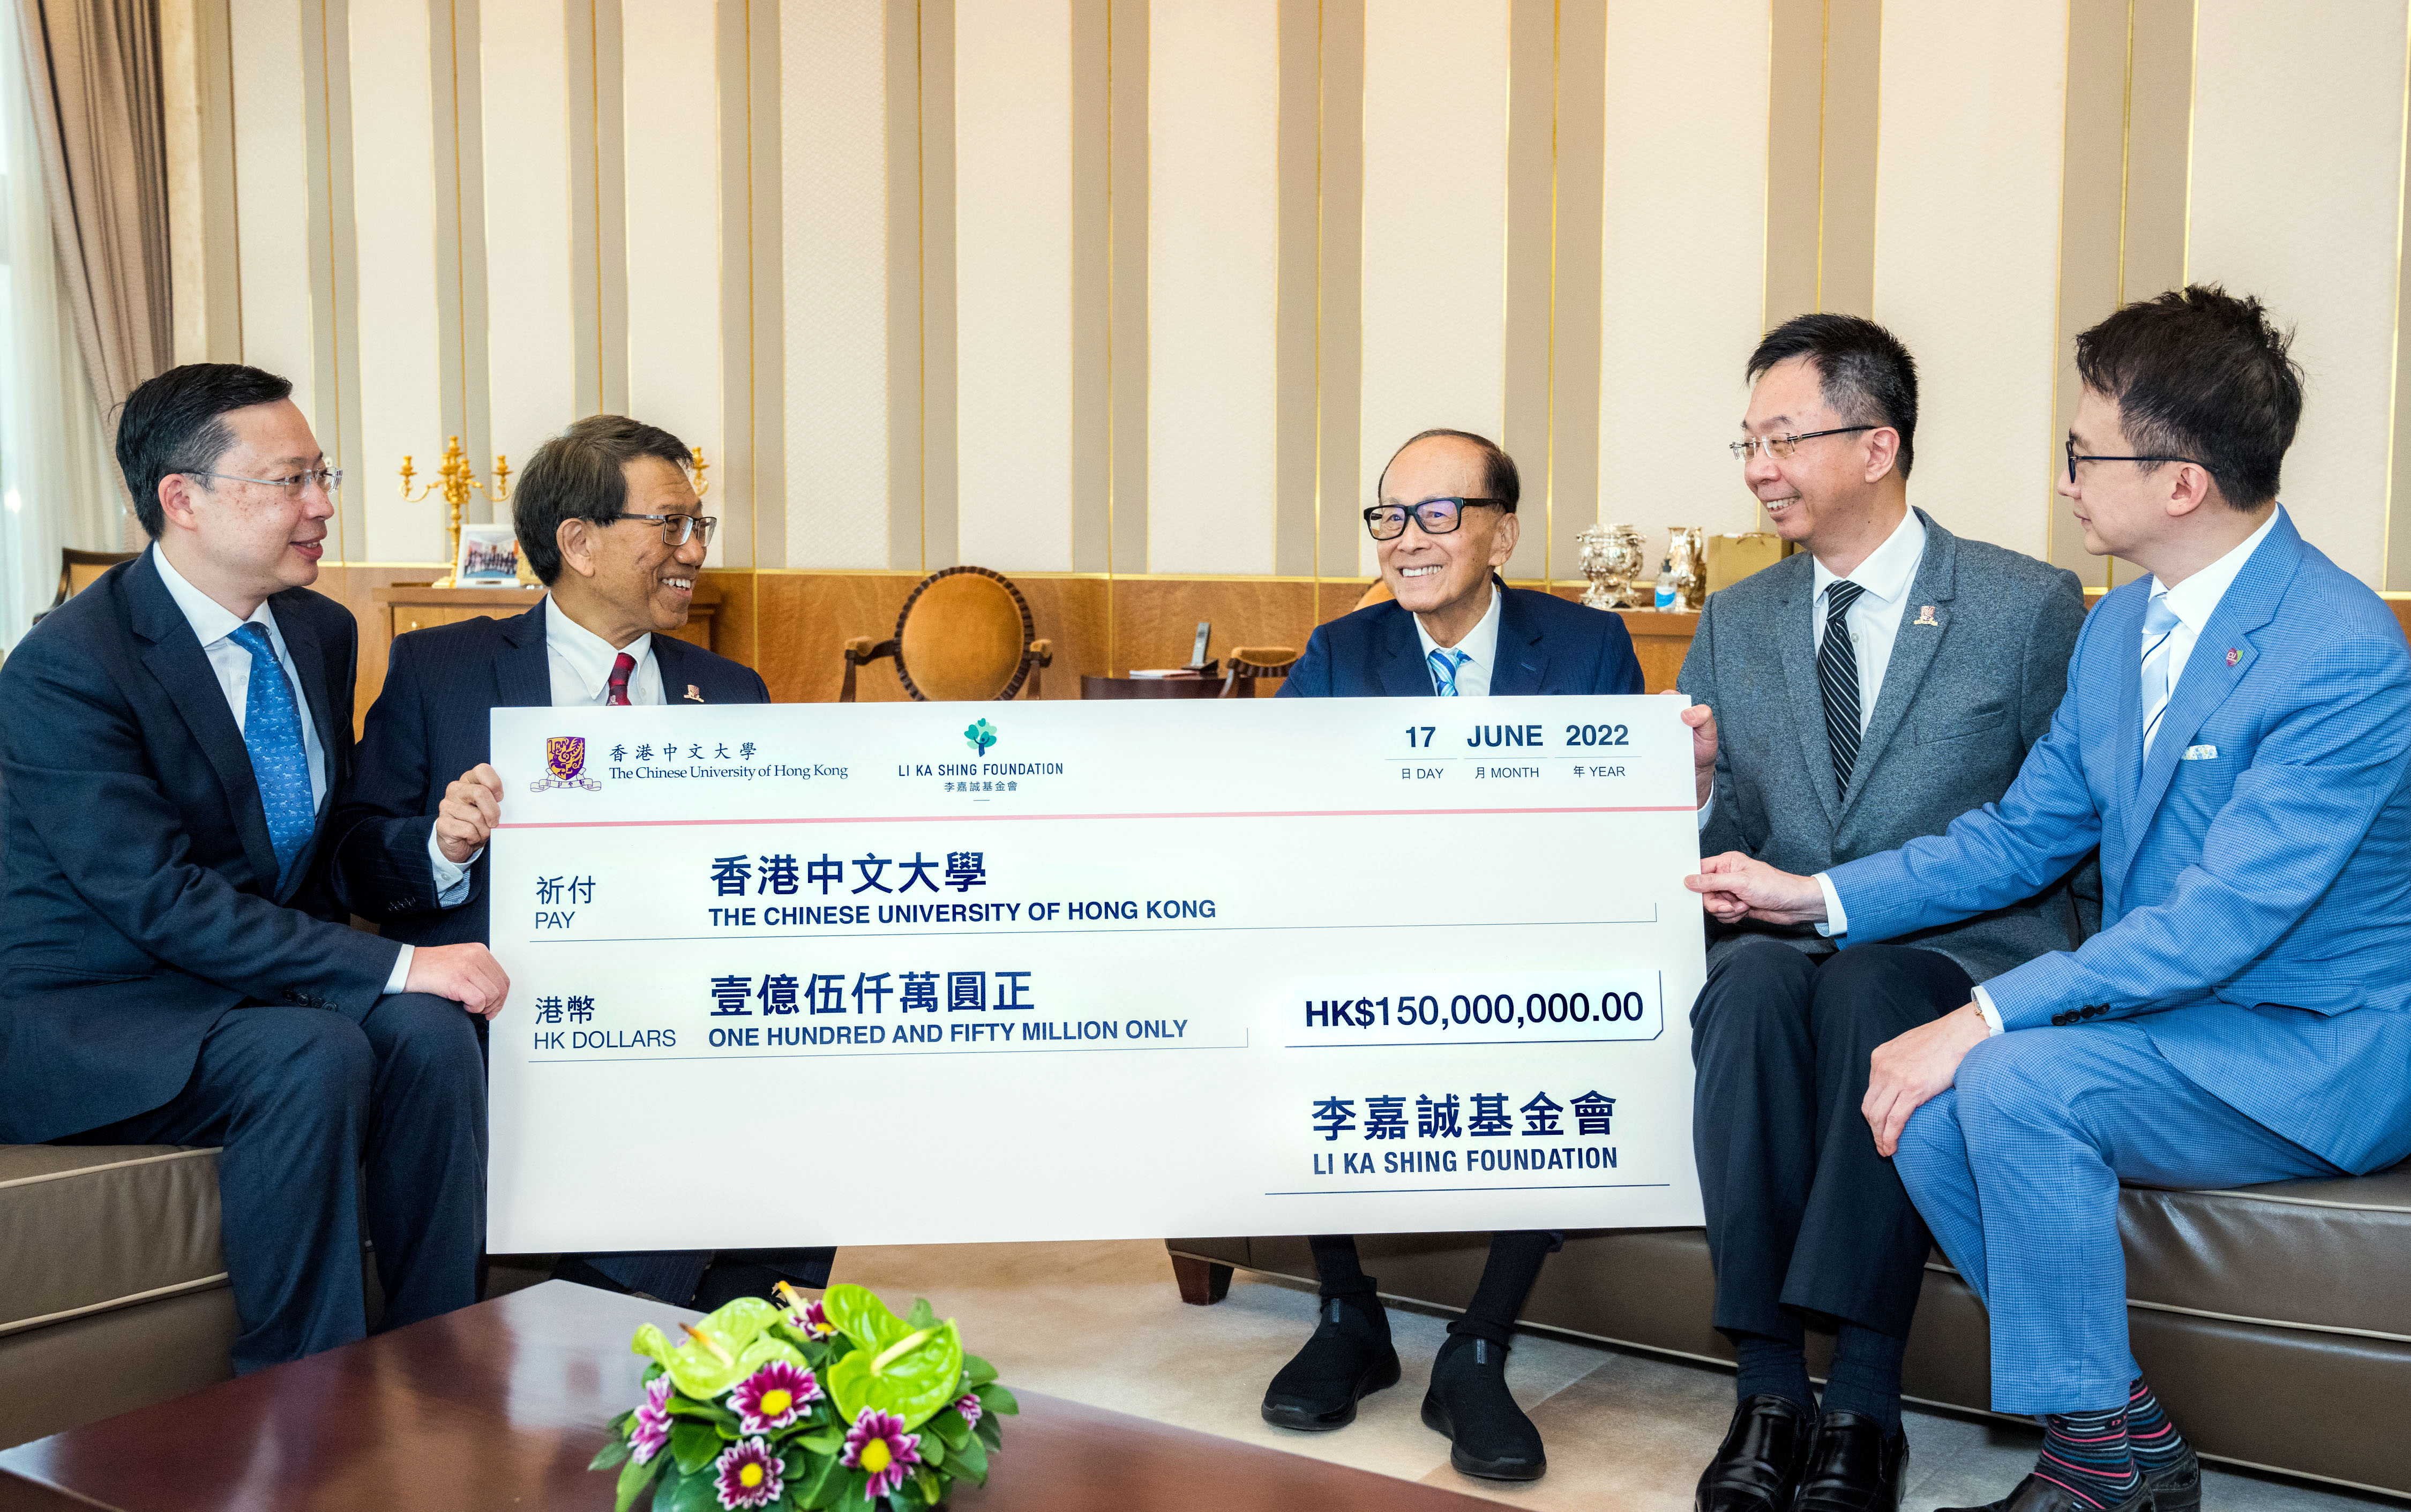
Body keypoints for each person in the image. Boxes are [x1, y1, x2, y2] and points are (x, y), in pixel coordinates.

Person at [1689, 286, 2411, 1512]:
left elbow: (2221, 921)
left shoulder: (2339, 652)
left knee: (2001, 1074)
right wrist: (1817, 894)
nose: (2066, 480)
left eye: (2086, 455)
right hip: (2177, 1021)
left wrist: (1981, 1016)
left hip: (2310, 1042)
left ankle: (2089, 1467)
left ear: (2180, 482)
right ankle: (2125, 1441)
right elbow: (2024, 835)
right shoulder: (2122, 624)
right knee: (1918, 1099)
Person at [0, 364, 507, 1371]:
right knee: (314, 1054)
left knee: (432, 1034)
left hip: (251, 985)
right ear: (181, 500)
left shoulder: (317, 629)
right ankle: (299, 1399)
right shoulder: (68, 667)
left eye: (323, 474)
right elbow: (160, 898)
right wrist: (401, 962)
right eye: (288, 481)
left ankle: (443, 1366)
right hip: (101, 1008)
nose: (321, 505)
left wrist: (436, 850)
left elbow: (321, 853)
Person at [1681, 317, 2090, 1512]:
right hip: (1782, 945)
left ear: (1877, 445)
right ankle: (1768, 1390)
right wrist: (1700, 796)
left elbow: (2062, 826)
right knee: (1746, 985)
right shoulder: (1738, 621)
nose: (1759, 468)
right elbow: (1726, 844)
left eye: (1783, 437)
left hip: (1955, 949)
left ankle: (1864, 1398)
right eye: (1747, 441)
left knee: (1871, 989)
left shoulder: (2025, 606)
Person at [330, 414, 835, 1311]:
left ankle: (721, 1343)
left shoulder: (729, 691)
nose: (694, 550)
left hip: (679, 991)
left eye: (699, 525)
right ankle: (617, 1337)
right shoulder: (439, 668)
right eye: (670, 524)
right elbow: (355, 862)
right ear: (579, 543)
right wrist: (441, 845)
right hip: (503, 998)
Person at [1263, 428, 1643, 1483]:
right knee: (1291, 1009)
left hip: (1531, 945)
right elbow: (1277, 812)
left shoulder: (1584, 649)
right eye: (1389, 516)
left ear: (1502, 532)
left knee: (1579, 1022)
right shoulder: (1342, 653)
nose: (1407, 539)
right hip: (1377, 941)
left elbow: (1610, 832)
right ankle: (1350, 1316)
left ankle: (1476, 1347)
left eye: (1438, 514)